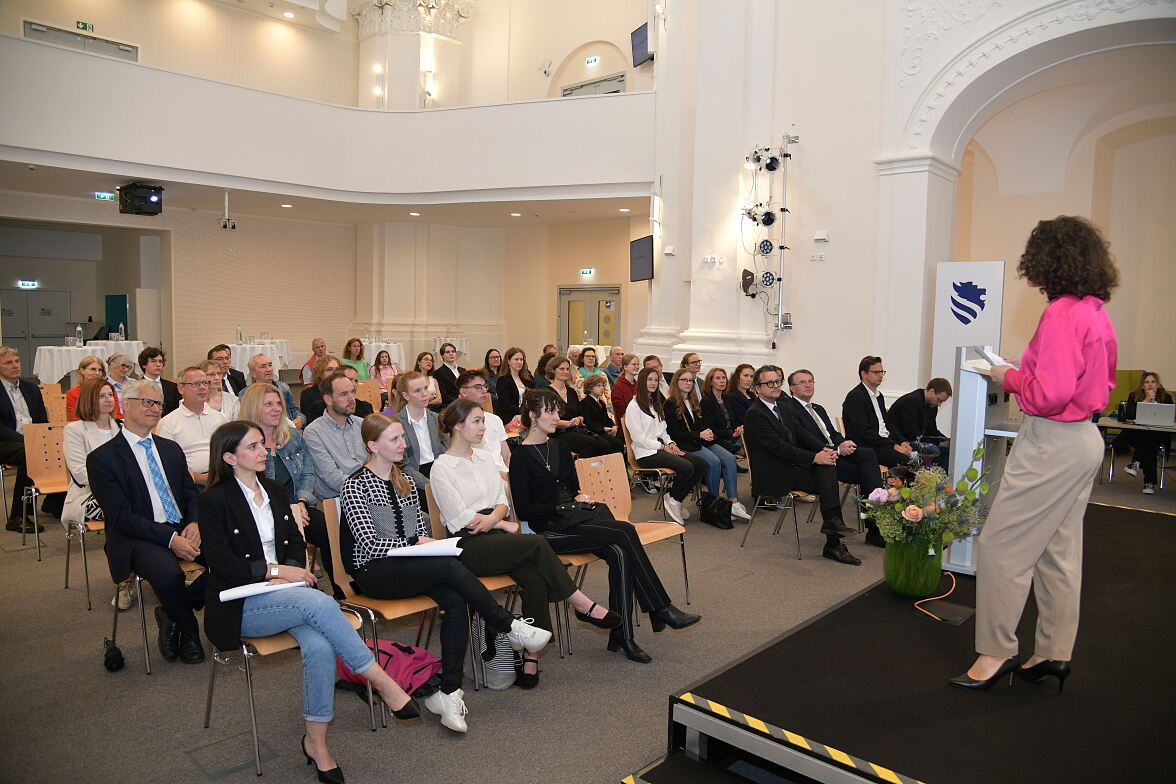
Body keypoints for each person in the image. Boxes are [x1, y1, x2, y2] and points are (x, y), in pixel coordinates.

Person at [199, 421, 418, 784]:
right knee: (318, 603)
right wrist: (277, 571)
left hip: (289, 596)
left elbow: (295, 544)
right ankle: (379, 679)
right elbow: (223, 564)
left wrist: (293, 570)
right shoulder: (213, 501)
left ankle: (316, 744)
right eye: (253, 447)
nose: (264, 451)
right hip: (241, 603)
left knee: (318, 644)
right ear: (229, 456)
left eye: (261, 445)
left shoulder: (272, 489)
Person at [953, 216, 1118, 693]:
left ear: (1047, 258)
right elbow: (1089, 381)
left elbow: (1048, 393)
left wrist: (1005, 376)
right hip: (1085, 438)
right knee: (1058, 551)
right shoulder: (1095, 310)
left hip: (1051, 440)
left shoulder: (1063, 313)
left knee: (1000, 547)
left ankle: (996, 652)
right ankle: (1051, 651)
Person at [340, 414, 552, 733]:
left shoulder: (406, 480)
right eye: (395, 439)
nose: (403, 444)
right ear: (373, 446)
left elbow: (422, 525)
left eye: (402, 437)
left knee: (455, 598)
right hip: (374, 571)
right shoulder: (355, 484)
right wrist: (415, 541)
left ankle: (448, 692)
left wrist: (427, 541)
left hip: (411, 565)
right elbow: (369, 541)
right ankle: (508, 625)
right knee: (450, 566)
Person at [431, 398, 621, 687]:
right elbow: (461, 520)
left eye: (483, 420)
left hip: (497, 536)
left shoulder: (483, 458)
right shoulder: (442, 467)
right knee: (536, 545)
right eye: (477, 421)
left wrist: (497, 519)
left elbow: (500, 501)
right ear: (458, 426)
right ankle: (581, 603)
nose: (484, 427)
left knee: (535, 578)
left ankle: (531, 657)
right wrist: (501, 521)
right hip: (467, 545)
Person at [513, 388, 700, 664]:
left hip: (575, 519)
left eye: (557, 411)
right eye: (550, 411)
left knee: (620, 552)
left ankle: (622, 635)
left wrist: (579, 497)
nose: (556, 417)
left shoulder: (560, 447)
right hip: (549, 530)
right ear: (532, 415)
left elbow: (573, 487)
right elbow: (525, 511)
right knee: (624, 531)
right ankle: (659, 607)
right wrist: (559, 506)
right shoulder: (520, 456)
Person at [87, 379, 206, 664]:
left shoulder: (170, 449)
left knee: (233, 556)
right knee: (169, 575)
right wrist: (170, 540)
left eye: (159, 404)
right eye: (147, 402)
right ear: (125, 405)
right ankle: (190, 631)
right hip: (137, 535)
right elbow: (120, 516)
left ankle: (170, 611)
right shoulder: (103, 459)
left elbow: (191, 494)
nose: (155, 409)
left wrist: (195, 524)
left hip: (181, 527)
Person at [744, 365, 860, 565]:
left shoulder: (783, 407)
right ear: (757, 388)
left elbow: (801, 434)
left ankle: (833, 533)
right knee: (826, 475)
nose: (775, 386)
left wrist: (825, 449)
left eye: (777, 381)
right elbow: (779, 448)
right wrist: (814, 458)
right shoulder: (755, 414)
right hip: (773, 474)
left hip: (790, 467)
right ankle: (833, 536)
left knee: (826, 469)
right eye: (769, 383)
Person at [237, 382, 337, 591]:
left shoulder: (292, 438)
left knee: (330, 532)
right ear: (254, 408)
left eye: (279, 403)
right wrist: (290, 511)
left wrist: (301, 502)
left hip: (299, 507)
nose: (277, 409)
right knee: (288, 542)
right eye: (268, 404)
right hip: (264, 514)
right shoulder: (243, 446)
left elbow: (308, 473)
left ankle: (341, 592)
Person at [786, 368, 885, 546]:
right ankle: (873, 529)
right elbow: (805, 440)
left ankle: (874, 526)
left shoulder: (818, 408)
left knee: (868, 456)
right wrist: (836, 449)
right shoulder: (790, 410)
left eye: (811, 381)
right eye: (803, 382)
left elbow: (832, 433)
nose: (808, 385)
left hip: (834, 454)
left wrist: (843, 442)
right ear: (792, 388)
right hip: (816, 461)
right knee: (868, 475)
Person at [624, 368, 708, 525]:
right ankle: (673, 498)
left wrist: (671, 443)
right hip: (645, 454)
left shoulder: (655, 404)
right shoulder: (633, 406)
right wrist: (663, 447)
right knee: (687, 467)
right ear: (642, 381)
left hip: (660, 448)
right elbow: (639, 439)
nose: (653, 383)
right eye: (649, 379)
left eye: (656, 380)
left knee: (701, 464)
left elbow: (663, 431)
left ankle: (674, 498)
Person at [663, 369, 748, 520]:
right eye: (684, 380)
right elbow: (674, 434)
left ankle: (733, 502)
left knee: (729, 458)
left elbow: (700, 425)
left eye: (690, 381)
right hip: (684, 444)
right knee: (713, 462)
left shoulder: (692, 400)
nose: (688, 383)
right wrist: (700, 434)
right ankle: (714, 503)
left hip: (698, 441)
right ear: (676, 382)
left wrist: (707, 433)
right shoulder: (671, 403)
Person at [0, 347, 48, 533]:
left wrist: (45, 439)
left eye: (17, 361)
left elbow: (43, 420)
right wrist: (26, 440)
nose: (14, 366)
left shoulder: (31, 388)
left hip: (32, 440)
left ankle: (55, 502)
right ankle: (18, 516)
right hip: (6, 441)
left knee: (64, 446)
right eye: (8, 363)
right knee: (29, 453)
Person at [156, 366, 228, 487]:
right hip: (190, 483)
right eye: (195, 384)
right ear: (181, 388)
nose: (202, 388)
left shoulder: (221, 418)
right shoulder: (168, 423)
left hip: (223, 478)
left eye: (205, 383)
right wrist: (198, 478)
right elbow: (167, 465)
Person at [304, 373, 370, 501]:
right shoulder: (314, 432)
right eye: (344, 394)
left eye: (352, 392)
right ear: (328, 400)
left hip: (373, 495)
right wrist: (371, 488)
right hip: (341, 500)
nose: (352, 398)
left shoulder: (363, 424)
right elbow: (333, 479)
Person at [841, 356, 915, 469]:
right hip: (868, 446)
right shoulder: (855, 397)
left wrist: (902, 441)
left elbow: (887, 424)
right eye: (876, 372)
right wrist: (893, 446)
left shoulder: (879, 396)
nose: (880, 375)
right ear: (864, 374)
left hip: (883, 443)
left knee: (920, 456)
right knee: (909, 462)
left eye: (882, 372)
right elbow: (864, 432)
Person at [545, 356, 623, 459]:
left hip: (576, 429)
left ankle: (602, 473)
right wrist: (568, 423)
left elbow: (581, 415)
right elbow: (547, 420)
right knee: (592, 444)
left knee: (604, 445)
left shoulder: (571, 392)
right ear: (553, 370)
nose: (565, 371)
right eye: (561, 369)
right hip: (558, 432)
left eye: (567, 369)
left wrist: (578, 419)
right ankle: (580, 471)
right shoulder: (547, 393)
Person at [1120, 371, 1171, 495]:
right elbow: (1130, 415)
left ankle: (1136, 462)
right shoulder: (1134, 396)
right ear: (1142, 385)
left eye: (1153, 382)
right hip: (1137, 434)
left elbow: (1172, 416)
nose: (1150, 385)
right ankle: (1149, 483)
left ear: (1158, 385)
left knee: (1150, 439)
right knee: (1148, 441)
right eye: (1147, 382)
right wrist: (1145, 401)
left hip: (1159, 434)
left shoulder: (1166, 397)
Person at [396, 371, 447, 484]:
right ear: (406, 395)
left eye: (425, 388)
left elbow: (447, 452)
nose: (425, 394)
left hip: (440, 472)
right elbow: (403, 465)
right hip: (413, 478)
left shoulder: (437, 419)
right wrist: (429, 485)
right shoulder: (396, 424)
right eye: (417, 391)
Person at [888, 378, 952, 468]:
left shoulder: (931, 405)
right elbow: (912, 435)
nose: (939, 404)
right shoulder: (911, 402)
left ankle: (942, 478)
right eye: (939, 400)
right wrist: (940, 443)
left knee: (948, 449)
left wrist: (946, 440)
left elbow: (932, 430)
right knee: (934, 449)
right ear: (931, 391)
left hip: (913, 438)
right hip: (901, 441)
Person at [455, 369, 510, 469]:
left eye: (485, 386)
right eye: (478, 387)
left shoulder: (495, 419)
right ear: (463, 391)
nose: (484, 391)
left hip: (503, 473)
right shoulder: (459, 424)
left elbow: (506, 455)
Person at [247, 354, 304, 428]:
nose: (269, 369)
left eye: (270, 365)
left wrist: (300, 419)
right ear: (253, 373)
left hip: (289, 429)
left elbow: (293, 409)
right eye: (263, 366)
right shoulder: (246, 394)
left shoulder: (283, 387)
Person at [580, 375, 627, 458]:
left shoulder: (601, 403)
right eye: (598, 386)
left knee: (623, 437)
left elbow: (607, 419)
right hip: (596, 431)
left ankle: (623, 463)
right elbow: (588, 422)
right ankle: (615, 465)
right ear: (590, 388)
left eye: (602, 386)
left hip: (605, 430)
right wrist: (603, 429)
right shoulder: (585, 403)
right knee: (615, 443)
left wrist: (613, 426)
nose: (602, 388)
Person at [700, 367, 744, 457]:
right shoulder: (707, 401)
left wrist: (738, 429)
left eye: (724, 378)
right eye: (718, 378)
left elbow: (733, 420)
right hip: (717, 439)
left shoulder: (727, 398)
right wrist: (732, 433)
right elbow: (710, 430)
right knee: (746, 451)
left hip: (732, 436)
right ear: (711, 382)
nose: (722, 381)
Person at [66, 355, 117, 421]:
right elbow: (74, 418)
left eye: (100, 370)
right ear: (82, 370)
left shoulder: (109, 389)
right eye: (93, 369)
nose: (97, 373)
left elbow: (116, 414)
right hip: (84, 428)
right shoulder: (73, 393)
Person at [300, 354, 342, 426]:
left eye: (337, 369)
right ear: (320, 373)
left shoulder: (344, 392)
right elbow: (310, 423)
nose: (335, 373)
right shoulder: (307, 394)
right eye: (329, 369)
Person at [494, 346, 533, 422]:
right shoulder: (503, 380)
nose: (519, 362)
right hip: (510, 418)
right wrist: (525, 412)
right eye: (516, 359)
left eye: (521, 359)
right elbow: (505, 406)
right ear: (508, 361)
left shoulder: (527, 379)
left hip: (526, 416)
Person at [138, 346, 180, 416]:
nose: (158, 365)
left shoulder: (173, 387)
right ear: (144, 364)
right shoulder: (136, 387)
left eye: (160, 362)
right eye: (153, 361)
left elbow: (177, 409)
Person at [610, 353, 641, 420]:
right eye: (634, 364)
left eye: (638, 364)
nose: (637, 367)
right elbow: (621, 412)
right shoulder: (618, 386)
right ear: (625, 367)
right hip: (625, 423)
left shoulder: (638, 385)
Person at [433, 342, 464, 406]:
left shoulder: (463, 370)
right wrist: (459, 400)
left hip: (467, 402)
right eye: (448, 352)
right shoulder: (439, 373)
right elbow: (444, 395)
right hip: (452, 405)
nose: (451, 354)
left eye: (453, 351)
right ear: (442, 356)